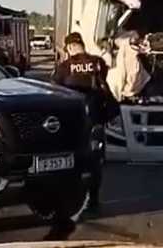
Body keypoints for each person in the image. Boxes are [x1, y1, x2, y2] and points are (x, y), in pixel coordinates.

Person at [51, 32, 110, 214]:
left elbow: (54, 90)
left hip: (73, 122)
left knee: (71, 160)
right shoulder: (98, 63)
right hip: (95, 119)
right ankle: (93, 198)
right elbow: (103, 83)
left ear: (69, 48)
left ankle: (69, 198)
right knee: (95, 161)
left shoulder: (64, 67)